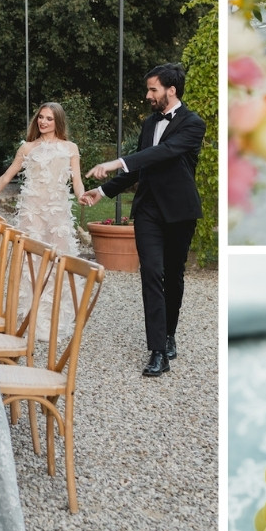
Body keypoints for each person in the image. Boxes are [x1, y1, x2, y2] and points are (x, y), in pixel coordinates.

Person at [82, 63, 204, 377]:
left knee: (174, 276)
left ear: (171, 90)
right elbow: (138, 170)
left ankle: (169, 333)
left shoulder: (193, 124)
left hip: (179, 211)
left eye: (153, 89)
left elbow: (165, 152)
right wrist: (103, 191)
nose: (148, 95)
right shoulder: (150, 122)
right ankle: (158, 351)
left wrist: (117, 160)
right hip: (148, 210)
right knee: (151, 273)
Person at [0, 103, 85, 339]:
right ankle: (31, 319)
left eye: (48, 118)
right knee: (31, 264)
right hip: (32, 213)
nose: (43, 122)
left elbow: (76, 181)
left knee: (59, 260)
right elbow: (7, 176)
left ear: (58, 121)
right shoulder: (27, 148)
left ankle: (56, 320)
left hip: (58, 213)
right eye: (40, 117)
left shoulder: (70, 148)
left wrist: (82, 195)